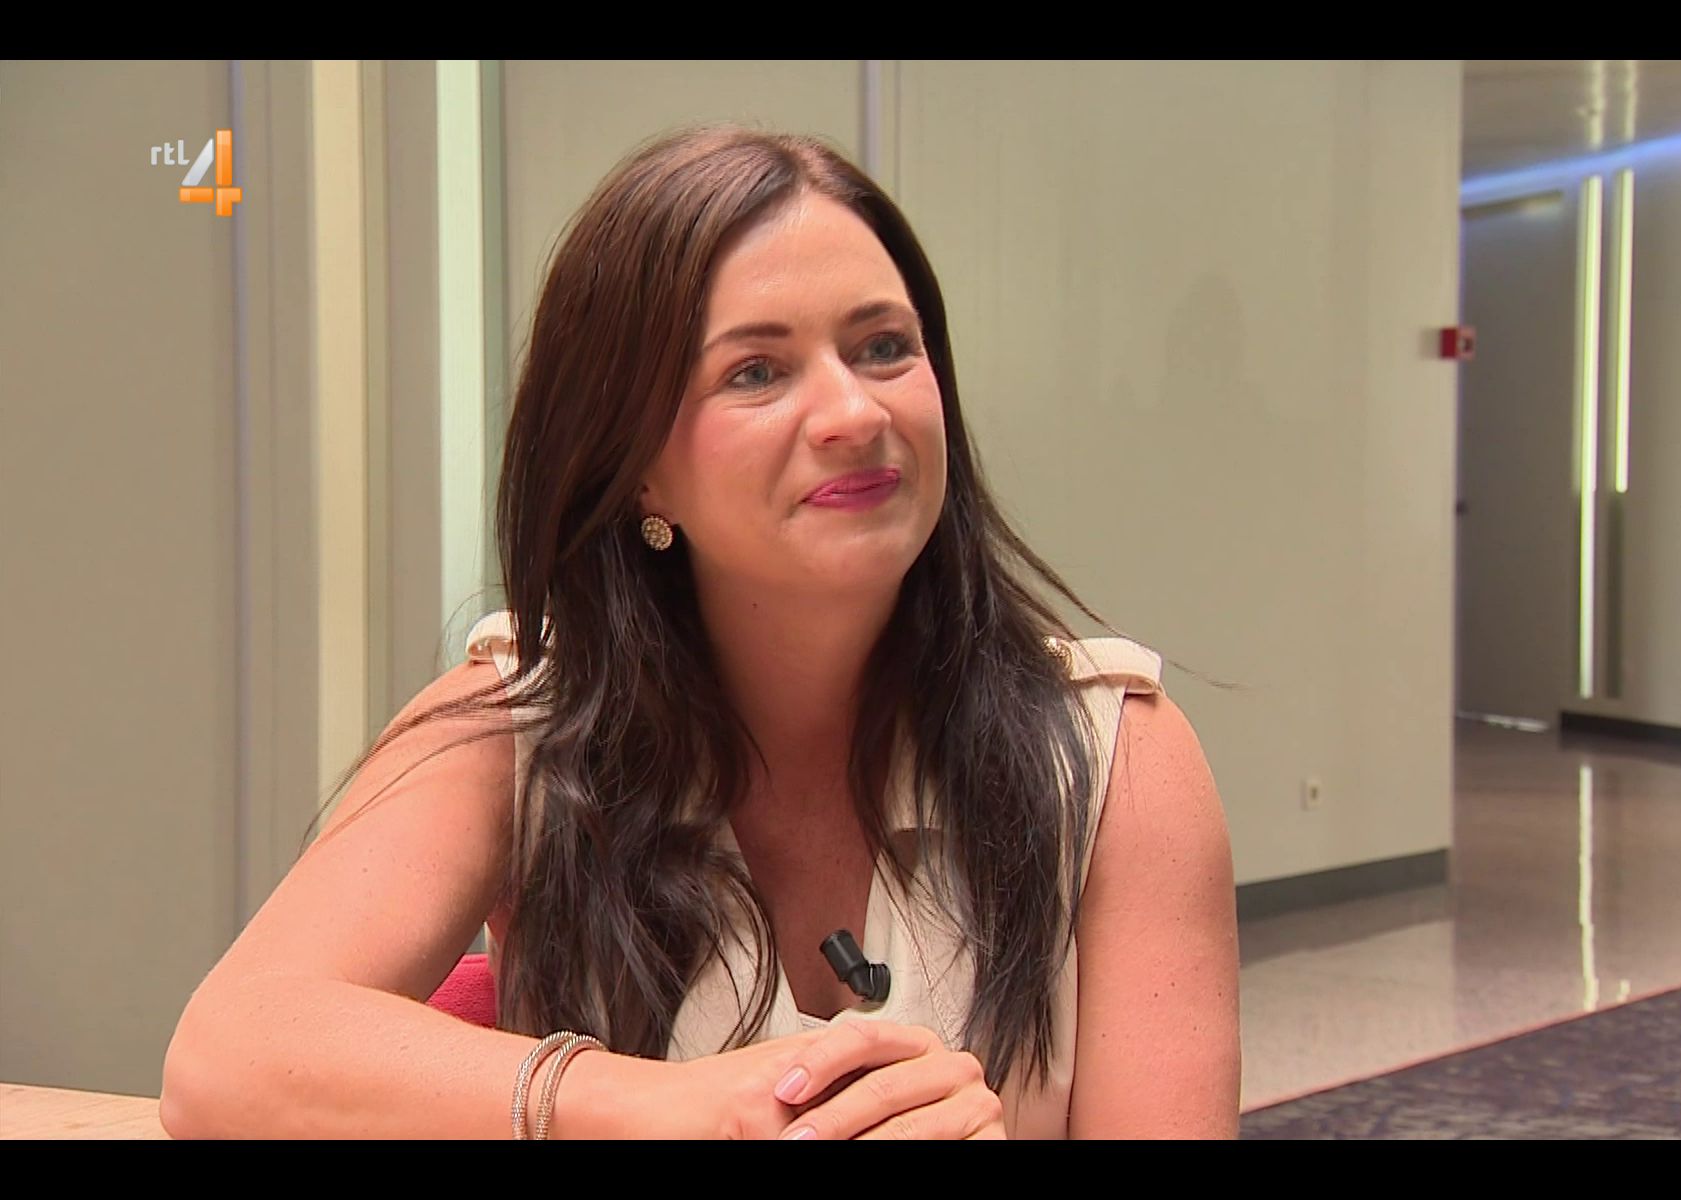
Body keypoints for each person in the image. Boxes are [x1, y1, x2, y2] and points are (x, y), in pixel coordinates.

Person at [159, 125, 1240, 1140]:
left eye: (883, 347)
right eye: (755, 372)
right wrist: (666, 1108)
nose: (855, 414)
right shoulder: (519, 722)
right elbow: (225, 1052)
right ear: (635, 466)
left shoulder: (1115, 754)